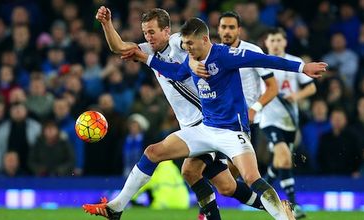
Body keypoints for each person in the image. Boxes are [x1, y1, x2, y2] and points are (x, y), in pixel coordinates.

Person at [104, 17, 325, 219]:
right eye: (186, 45)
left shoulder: (225, 56)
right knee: (155, 153)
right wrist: (149, 59)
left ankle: (284, 215)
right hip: (205, 128)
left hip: (232, 131)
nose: (188, 49)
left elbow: (265, 60)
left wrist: (302, 67)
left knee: (250, 178)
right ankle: (116, 207)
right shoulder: (190, 61)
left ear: (205, 39)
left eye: (191, 44)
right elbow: (176, 73)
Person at [84, 7, 277, 220]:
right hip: (190, 127)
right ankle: (280, 209)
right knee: (225, 186)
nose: (148, 37)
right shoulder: (148, 50)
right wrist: (106, 23)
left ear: (167, 31)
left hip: (208, 121)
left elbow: (199, 51)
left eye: (152, 32)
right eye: (145, 32)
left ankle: (117, 207)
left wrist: (193, 62)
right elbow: (119, 47)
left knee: (157, 155)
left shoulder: (179, 42)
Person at [181, 11, 279, 218]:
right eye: (223, 27)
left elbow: (272, 87)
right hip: (218, 122)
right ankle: (207, 213)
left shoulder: (250, 51)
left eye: (231, 27)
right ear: (217, 30)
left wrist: (255, 109)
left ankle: (277, 206)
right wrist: (190, 61)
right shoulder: (209, 52)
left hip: (245, 121)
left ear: (239, 30)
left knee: (231, 180)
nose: (226, 31)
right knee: (217, 178)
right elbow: (182, 47)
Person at [261, 28, 317, 219]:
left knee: (279, 161)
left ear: (284, 42)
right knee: (284, 156)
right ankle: (294, 204)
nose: (275, 43)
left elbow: (311, 87)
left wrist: (296, 96)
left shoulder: (295, 62)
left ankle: (263, 190)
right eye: (272, 40)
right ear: (266, 43)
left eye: (278, 40)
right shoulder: (260, 62)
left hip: (290, 120)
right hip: (268, 119)